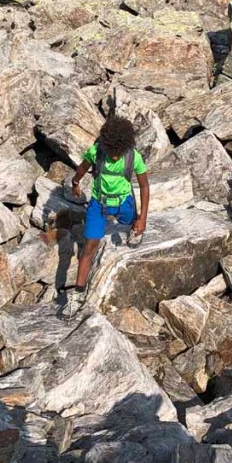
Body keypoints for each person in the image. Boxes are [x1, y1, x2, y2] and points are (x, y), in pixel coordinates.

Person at [63, 116, 150, 316]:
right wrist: (75, 183)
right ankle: (78, 294)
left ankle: (134, 224)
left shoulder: (133, 157)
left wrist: (143, 219)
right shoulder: (96, 152)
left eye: (118, 153)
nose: (114, 157)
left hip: (124, 203)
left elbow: (144, 186)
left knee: (131, 222)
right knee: (89, 246)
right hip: (98, 204)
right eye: (111, 152)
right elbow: (83, 168)